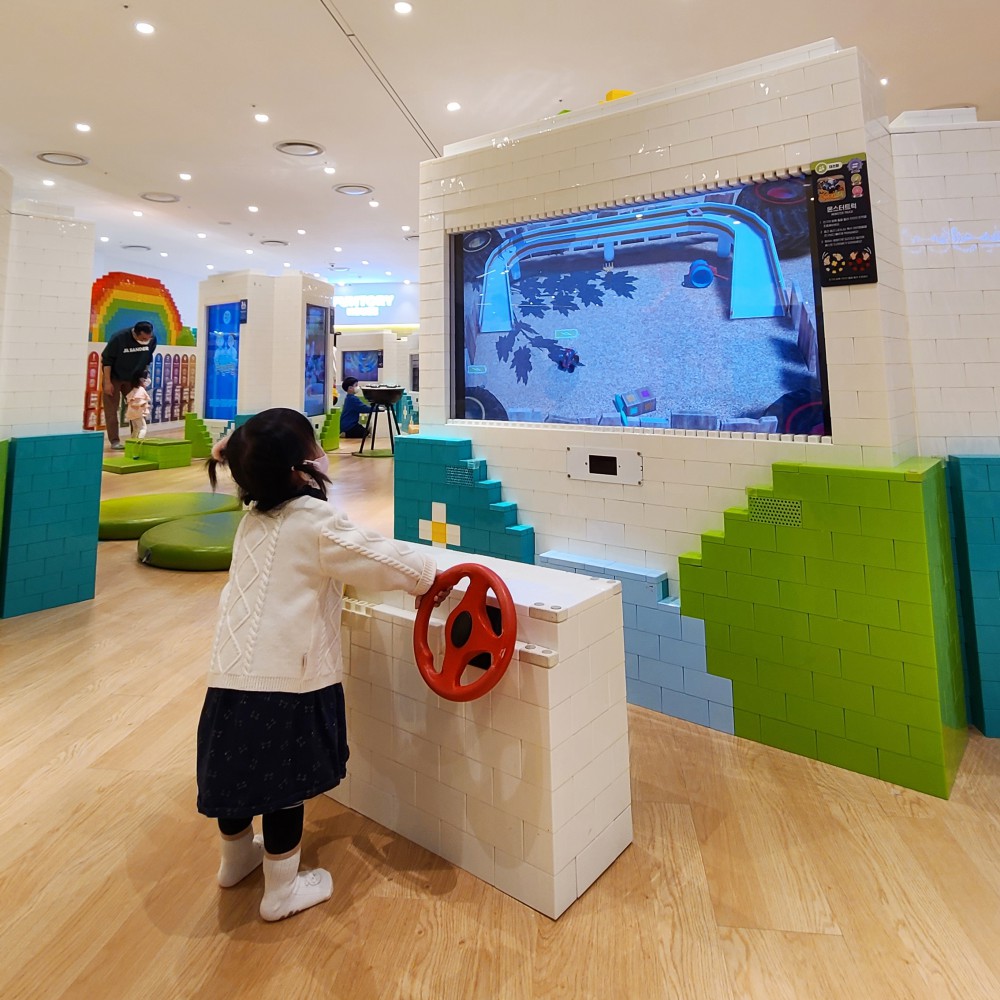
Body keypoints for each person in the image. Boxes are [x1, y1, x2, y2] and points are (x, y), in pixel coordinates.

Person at [199, 408, 444, 922]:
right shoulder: (316, 522)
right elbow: (378, 557)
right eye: (314, 446)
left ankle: (235, 859)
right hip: (287, 682)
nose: (321, 454)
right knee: (283, 791)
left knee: (237, 776)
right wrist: (426, 574)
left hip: (229, 677)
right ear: (299, 470)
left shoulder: (250, 523)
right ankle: (281, 891)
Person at [101, 321, 157, 449]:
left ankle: (135, 439)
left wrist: (143, 377)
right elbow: (107, 362)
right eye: (143, 338)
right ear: (136, 334)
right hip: (114, 377)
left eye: (148, 338)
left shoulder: (151, 339)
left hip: (133, 378)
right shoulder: (119, 338)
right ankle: (114, 441)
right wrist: (107, 382)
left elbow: (147, 360)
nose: (146, 341)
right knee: (111, 410)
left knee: (136, 408)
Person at [124, 370, 151, 440]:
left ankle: (132, 441)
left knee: (135, 428)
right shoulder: (141, 390)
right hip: (138, 413)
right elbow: (141, 401)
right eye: (146, 378)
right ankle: (139, 441)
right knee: (143, 428)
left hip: (131, 413)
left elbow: (129, 400)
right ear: (142, 380)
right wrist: (145, 405)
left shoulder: (133, 390)